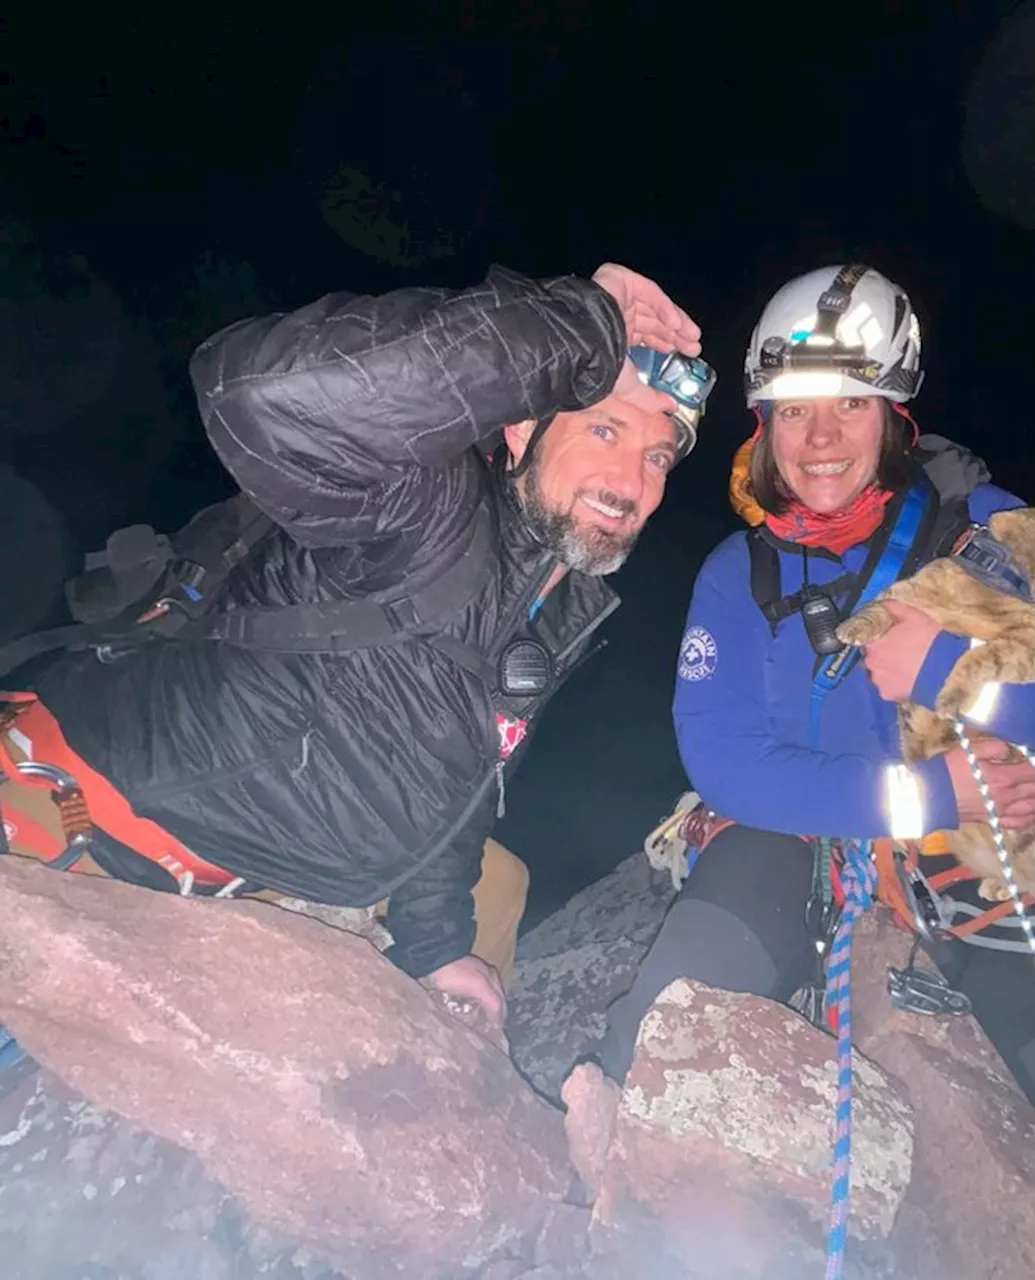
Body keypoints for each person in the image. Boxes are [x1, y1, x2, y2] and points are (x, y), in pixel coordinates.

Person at [595, 264, 1035, 1274]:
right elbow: (724, 756)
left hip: (985, 843)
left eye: (850, 405)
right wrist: (918, 793)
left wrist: (959, 676)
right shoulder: (736, 572)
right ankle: (600, 1166)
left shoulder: (998, 535)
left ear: (893, 416)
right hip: (809, 827)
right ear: (761, 426)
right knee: (678, 987)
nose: (819, 437)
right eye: (793, 410)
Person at [0, 261, 710, 1035]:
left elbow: (451, 778)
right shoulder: (421, 501)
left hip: (252, 871)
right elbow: (257, 395)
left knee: (499, 887)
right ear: (520, 426)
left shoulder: (544, 601)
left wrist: (437, 946)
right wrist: (571, 325)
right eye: (605, 429)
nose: (630, 479)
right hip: (75, 826)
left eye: (658, 455)